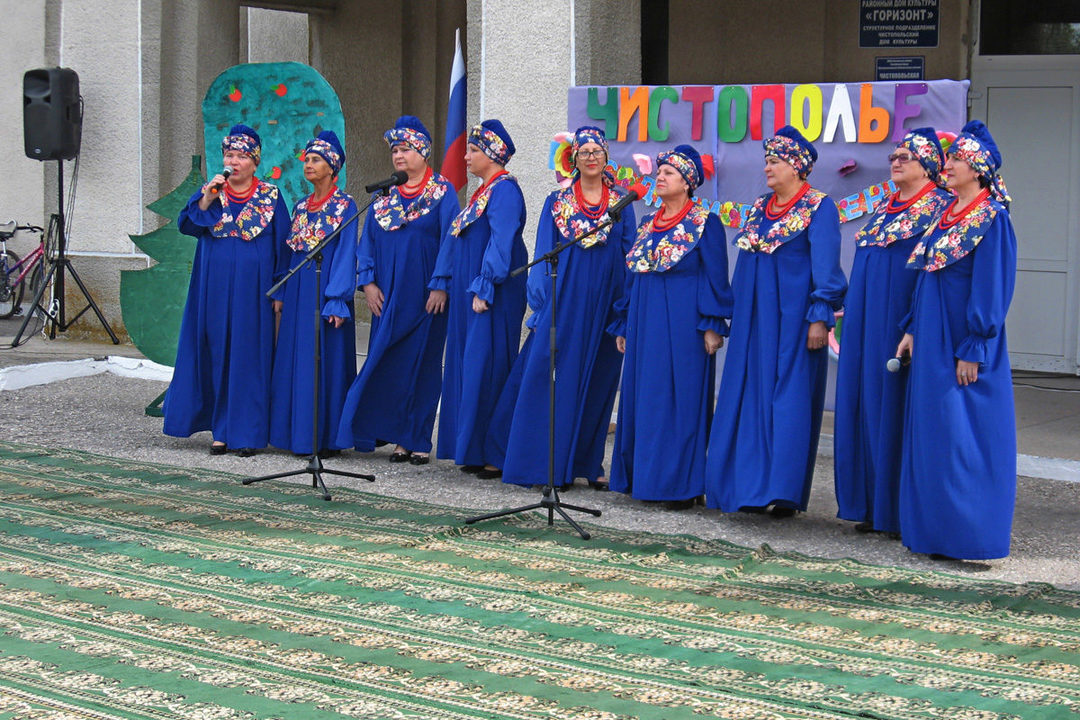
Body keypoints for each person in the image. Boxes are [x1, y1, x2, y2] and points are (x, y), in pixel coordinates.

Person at [706, 125, 847, 517]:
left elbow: (826, 268)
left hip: (793, 324)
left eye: (776, 161)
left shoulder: (820, 208)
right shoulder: (758, 208)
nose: (768, 167)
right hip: (755, 324)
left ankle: (780, 490)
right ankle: (747, 486)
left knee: (789, 402)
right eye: (766, 160)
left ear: (798, 167)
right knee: (749, 396)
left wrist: (820, 316)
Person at [486, 126, 636, 489]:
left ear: (606, 156)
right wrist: (540, 306)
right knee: (553, 378)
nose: (590, 157)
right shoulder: (558, 202)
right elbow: (543, 252)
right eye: (583, 152)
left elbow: (630, 254)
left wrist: (626, 310)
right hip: (565, 298)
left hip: (607, 303)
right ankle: (547, 463)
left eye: (596, 151)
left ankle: (588, 461)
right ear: (574, 158)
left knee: (600, 380)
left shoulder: (622, 203)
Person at [895, 120, 1017, 560]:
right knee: (933, 434)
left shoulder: (992, 220)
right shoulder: (945, 215)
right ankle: (933, 534)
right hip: (930, 337)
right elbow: (927, 279)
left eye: (957, 160)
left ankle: (969, 536)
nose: (947, 166)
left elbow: (992, 288)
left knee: (964, 435)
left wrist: (975, 346)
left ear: (978, 169)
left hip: (962, 344)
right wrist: (912, 328)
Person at [833, 128, 952, 537]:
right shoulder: (886, 206)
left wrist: (918, 324)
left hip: (899, 321)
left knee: (896, 407)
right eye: (894, 156)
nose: (895, 162)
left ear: (929, 164)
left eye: (905, 156)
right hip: (866, 321)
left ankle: (899, 510)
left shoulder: (941, 209)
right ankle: (870, 504)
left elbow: (936, 274)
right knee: (865, 403)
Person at [610, 145, 733, 509]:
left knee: (680, 399)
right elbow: (634, 277)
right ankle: (645, 478)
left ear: (688, 183)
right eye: (659, 171)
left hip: (683, 325)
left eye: (669, 173)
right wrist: (624, 322)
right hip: (645, 322)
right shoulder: (648, 223)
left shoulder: (704, 222)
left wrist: (712, 324)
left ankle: (682, 485)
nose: (659, 177)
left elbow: (715, 275)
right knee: (646, 397)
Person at [335, 116, 459, 465]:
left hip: (425, 296)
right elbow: (367, 242)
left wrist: (440, 284)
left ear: (422, 151)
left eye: (405, 149)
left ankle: (415, 438)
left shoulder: (442, 192)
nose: (398, 156)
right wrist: (369, 283)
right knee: (387, 362)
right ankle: (383, 432)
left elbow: (451, 239)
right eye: (394, 150)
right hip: (386, 298)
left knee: (421, 365)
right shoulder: (384, 196)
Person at [164, 124, 290, 456]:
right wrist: (207, 196)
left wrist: (280, 291)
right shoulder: (210, 194)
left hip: (255, 292)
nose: (233, 161)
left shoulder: (271, 197)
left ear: (254, 161)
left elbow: (283, 247)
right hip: (213, 290)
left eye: (240, 156)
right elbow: (187, 225)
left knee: (249, 356)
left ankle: (247, 433)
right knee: (216, 351)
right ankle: (220, 430)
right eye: (228, 155)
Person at [429, 120, 528, 476]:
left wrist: (486, 285)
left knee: (488, 365)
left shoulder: (504, 192)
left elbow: (502, 240)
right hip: (469, 293)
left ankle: (492, 451)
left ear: (491, 154)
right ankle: (470, 448)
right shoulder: (482, 192)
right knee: (470, 366)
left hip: (491, 294)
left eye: (472, 150)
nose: (466, 156)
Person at [269, 131, 358, 456]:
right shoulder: (300, 206)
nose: (308, 164)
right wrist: (281, 289)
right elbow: (289, 252)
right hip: (297, 295)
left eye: (315, 159)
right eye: (306, 159)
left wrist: (337, 299)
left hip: (325, 296)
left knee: (324, 363)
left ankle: (323, 438)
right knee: (297, 360)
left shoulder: (345, 206)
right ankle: (295, 434)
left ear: (332, 166)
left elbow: (347, 253)